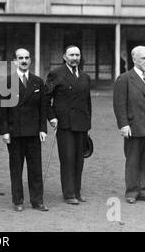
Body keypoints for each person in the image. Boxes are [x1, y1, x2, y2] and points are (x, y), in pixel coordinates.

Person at [0, 48, 48, 212]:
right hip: (15, 132)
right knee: (16, 168)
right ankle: (17, 201)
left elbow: (42, 108)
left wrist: (42, 129)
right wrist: (4, 131)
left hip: (33, 133)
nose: (24, 61)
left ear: (30, 60)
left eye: (26, 58)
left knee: (35, 168)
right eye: (20, 58)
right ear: (14, 61)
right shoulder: (6, 82)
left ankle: (37, 201)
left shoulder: (38, 81)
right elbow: (1, 110)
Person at [113, 46, 145, 204]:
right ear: (134, 59)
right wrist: (123, 125)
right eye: (143, 58)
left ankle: (144, 190)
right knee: (133, 160)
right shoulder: (124, 79)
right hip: (133, 127)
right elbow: (119, 104)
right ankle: (132, 191)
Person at [44, 45, 92, 205]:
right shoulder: (56, 74)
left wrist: (88, 124)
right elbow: (45, 99)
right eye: (71, 55)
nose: (75, 58)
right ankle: (69, 193)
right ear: (64, 56)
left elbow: (88, 102)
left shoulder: (85, 77)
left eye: (77, 55)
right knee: (68, 158)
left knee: (80, 159)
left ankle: (77, 191)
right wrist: (51, 117)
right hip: (65, 124)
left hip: (81, 124)